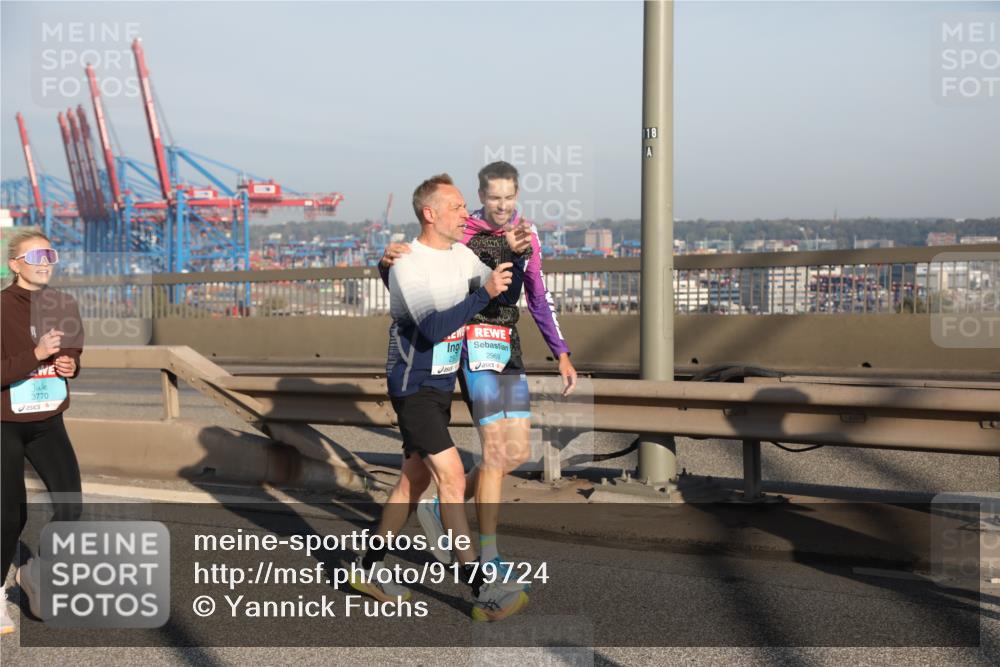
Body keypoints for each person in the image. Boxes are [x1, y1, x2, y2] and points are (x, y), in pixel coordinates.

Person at [379, 161, 576, 579]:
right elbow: (424, 278)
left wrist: (560, 351)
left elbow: (532, 296)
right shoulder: (463, 232)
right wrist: (387, 263)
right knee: (495, 452)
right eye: (493, 197)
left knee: (517, 452)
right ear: (482, 196)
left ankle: (440, 505)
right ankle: (487, 557)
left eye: (509, 197)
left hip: (508, 348)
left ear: (517, 196)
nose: (501, 205)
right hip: (473, 351)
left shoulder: (527, 234)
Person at [350, 173, 532, 622]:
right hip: (412, 388)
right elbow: (432, 328)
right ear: (429, 213)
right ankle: (480, 588)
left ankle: (367, 567)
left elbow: (502, 292)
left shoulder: (462, 254)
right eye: (455, 206)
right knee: (451, 476)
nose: (464, 213)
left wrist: (516, 257)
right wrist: (480, 295)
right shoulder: (407, 263)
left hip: (440, 389)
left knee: (412, 480)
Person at [1, 230, 84, 634]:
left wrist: (69, 364)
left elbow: (72, 351)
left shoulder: (63, 304)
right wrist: (34, 355)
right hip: (4, 424)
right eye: (35, 254)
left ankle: (36, 573)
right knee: (9, 516)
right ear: (14, 264)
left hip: (48, 420)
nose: (45, 259)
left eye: (50, 252)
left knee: (71, 507)